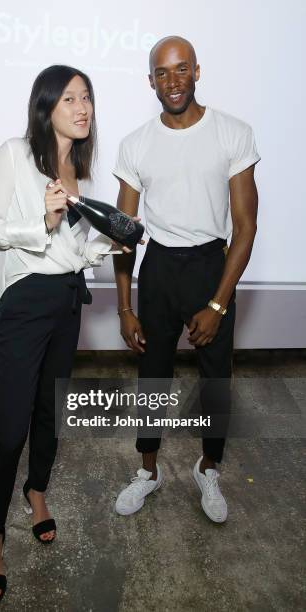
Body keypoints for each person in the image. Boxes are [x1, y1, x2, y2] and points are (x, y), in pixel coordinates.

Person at [0, 64, 132, 603]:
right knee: (9, 428)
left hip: (66, 302)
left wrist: (107, 246)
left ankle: (36, 492)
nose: (83, 108)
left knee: (50, 414)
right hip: (23, 304)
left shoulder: (79, 171)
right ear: (46, 107)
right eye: (69, 99)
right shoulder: (15, 154)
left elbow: (74, 251)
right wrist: (37, 223)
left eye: (87, 98)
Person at [112, 36, 260, 522]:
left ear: (197, 71)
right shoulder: (135, 144)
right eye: (162, 72)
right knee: (152, 375)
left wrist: (217, 305)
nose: (172, 81)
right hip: (158, 269)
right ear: (150, 80)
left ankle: (208, 468)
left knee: (216, 379)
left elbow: (245, 228)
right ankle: (148, 472)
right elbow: (124, 236)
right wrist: (125, 307)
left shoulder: (232, 133)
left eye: (181, 70)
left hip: (209, 268)